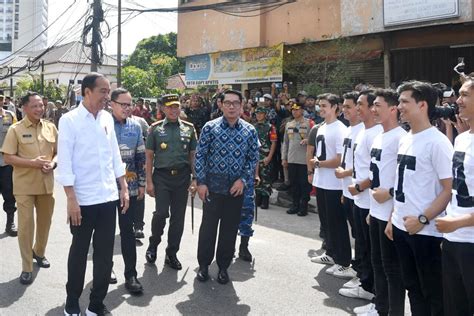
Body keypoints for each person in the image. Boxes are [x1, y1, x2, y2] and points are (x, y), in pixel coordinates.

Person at [56, 73, 129, 316]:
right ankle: (72, 301)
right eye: (103, 91)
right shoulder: (69, 120)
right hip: (83, 201)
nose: (107, 97)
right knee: (79, 252)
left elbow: (114, 156)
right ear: (87, 91)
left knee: (105, 255)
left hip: (108, 198)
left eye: (109, 92)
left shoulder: (107, 118)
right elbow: (65, 164)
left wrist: (124, 187)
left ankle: (96, 304)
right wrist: (71, 200)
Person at [390, 81, 453, 315]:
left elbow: (448, 189)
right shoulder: (406, 137)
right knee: (412, 288)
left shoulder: (438, 143)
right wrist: (392, 218)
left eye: (405, 101)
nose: (399, 107)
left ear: (423, 104)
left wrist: (423, 219)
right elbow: (401, 182)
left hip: (426, 232)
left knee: (433, 293)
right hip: (401, 227)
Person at [194, 89, 259, 284]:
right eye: (228, 102)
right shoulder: (209, 127)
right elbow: (200, 156)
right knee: (208, 229)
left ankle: (223, 267)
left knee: (229, 230)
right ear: (220, 105)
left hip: (235, 189)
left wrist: (244, 180)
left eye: (236, 103)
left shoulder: (250, 130)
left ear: (242, 105)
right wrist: (201, 182)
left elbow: (252, 158)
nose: (232, 106)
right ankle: (204, 266)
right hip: (212, 189)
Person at [354, 89, 407, 316]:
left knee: (392, 269)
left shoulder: (401, 137)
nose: (373, 110)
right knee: (378, 263)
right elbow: (377, 174)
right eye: (372, 105)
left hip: (390, 214)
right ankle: (380, 305)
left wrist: (391, 199)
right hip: (375, 211)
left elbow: (405, 179)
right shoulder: (379, 136)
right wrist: (373, 209)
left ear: (393, 109)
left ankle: (392, 310)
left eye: (378, 106)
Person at [2, 91, 57, 285]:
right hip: (24, 185)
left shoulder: (51, 127)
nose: (39, 109)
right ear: (24, 108)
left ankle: (39, 253)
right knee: (26, 226)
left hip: (46, 185)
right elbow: (8, 157)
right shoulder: (15, 129)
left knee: (45, 224)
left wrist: (54, 163)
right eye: (34, 106)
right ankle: (26, 266)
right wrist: (32, 162)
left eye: (41, 105)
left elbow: (59, 153)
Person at [145, 94, 197, 271]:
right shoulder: (155, 129)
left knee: (178, 218)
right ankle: (153, 244)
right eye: (170, 107)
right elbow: (149, 157)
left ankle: (171, 253)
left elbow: (193, 157)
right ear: (163, 109)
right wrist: (149, 182)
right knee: (160, 213)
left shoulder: (189, 129)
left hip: (182, 178)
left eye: (177, 107)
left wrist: (195, 179)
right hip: (162, 177)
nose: (174, 110)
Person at [435, 78, 474, 316]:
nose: (457, 101)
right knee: (453, 307)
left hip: (470, 241)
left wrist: (458, 222)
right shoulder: (461, 138)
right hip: (453, 240)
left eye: (464, 95)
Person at [340, 90, 382, 301]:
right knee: (362, 244)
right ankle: (364, 281)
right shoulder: (363, 132)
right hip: (359, 198)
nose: (356, 108)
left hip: (369, 200)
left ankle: (369, 287)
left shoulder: (377, 134)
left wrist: (359, 187)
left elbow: (378, 173)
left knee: (370, 248)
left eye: (360, 104)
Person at [308, 93, 354, 279]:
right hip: (322, 182)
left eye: (325, 105)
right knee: (326, 222)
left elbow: (339, 160)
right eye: (320, 105)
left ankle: (344, 261)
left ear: (335, 107)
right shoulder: (321, 128)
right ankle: (331, 253)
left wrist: (318, 164)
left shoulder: (340, 129)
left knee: (337, 223)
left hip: (335, 184)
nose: (321, 109)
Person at [109, 88, 145, 294]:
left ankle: (131, 275)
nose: (127, 108)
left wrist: (141, 183)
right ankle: (107, 269)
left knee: (128, 233)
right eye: (123, 104)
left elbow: (140, 156)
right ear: (111, 104)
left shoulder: (136, 126)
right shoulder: (102, 125)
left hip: (128, 190)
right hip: (105, 190)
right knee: (104, 234)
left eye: (129, 104)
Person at [334, 92, 364, 282]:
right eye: (343, 106)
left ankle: (360, 272)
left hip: (358, 191)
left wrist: (346, 174)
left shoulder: (363, 131)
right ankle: (358, 267)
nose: (344, 110)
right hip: (348, 190)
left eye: (348, 107)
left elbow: (363, 165)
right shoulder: (348, 129)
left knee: (361, 237)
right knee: (356, 233)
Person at [281, 103, 314, 216]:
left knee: (304, 184)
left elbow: (315, 138)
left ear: (302, 110)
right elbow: (285, 142)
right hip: (292, 158)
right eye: (293, 110)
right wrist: (283, 158)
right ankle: (295, 205)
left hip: (304, 159)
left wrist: (308, 139)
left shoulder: (309, 123)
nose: (294, 112)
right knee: (294, 183)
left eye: (297, 109)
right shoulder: (289, 124)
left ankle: (303, 206)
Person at [253, 107, 277, 209]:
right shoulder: (253, 127)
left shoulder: (271, 127)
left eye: (261, 113)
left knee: (266, 178)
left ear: (265, 115)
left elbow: (273, 143)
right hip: (255, 156)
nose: (259, 115)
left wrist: (270, 157)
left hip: (266, 156)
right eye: (257, 113)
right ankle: (257, 199)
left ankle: (265, 201)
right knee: (256, 178)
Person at [130, 112, 149, 240]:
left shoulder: (140, 122)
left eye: (129, 104)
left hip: (138, 163)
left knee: (139, 195)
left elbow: (149, 137)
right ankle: (126, 225)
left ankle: (138, 226)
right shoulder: (109, 122)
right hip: (119, 168)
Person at [0, 105, 18, 237]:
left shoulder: (10, 115)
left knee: (9, 194)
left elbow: (17, 134)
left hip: (6, 162)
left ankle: (10, 223)